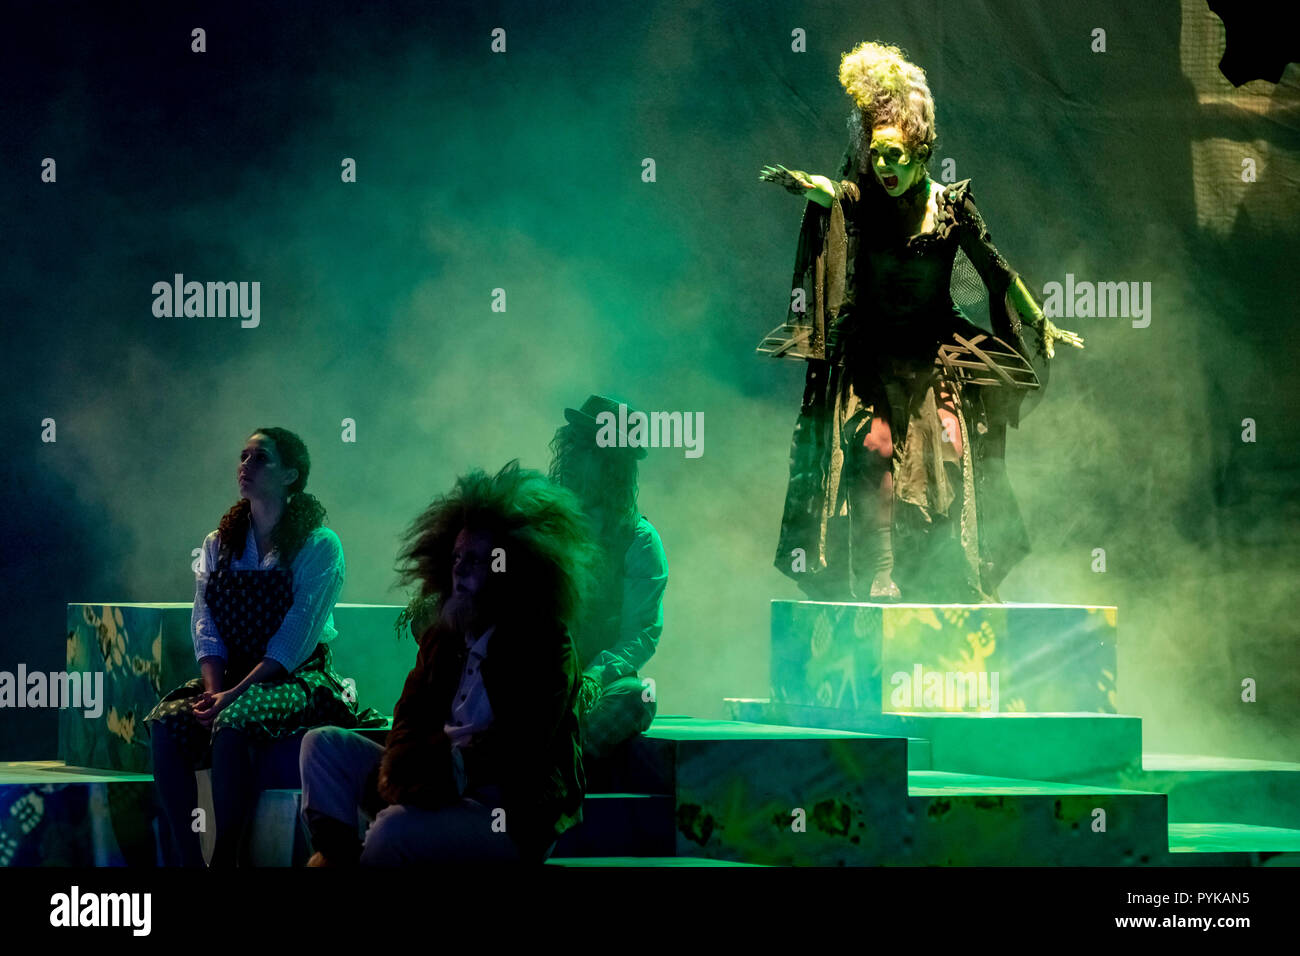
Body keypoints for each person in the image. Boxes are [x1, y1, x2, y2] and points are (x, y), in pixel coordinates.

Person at [758, 40, 1083, 603]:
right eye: (877, 153)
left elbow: (996, 269)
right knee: (873, 449)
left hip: (934, 353)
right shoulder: (863, 199)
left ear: (922, 153)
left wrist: (1041, 323)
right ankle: (880, 573)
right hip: (872, 355)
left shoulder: (953, 206)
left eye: (897, 156)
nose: (885, 166)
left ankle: (947, 570)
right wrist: (803, 183)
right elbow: (831, 190)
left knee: (953, 450)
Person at [298, 460, 597, 865]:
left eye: (476, 559)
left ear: (510, 567)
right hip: (431, 782)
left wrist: (435, 772)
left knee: (392, 832)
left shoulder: (545, 643)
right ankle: (337, 857)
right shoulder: (444, 636)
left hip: (506, 810)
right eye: (456, 557)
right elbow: (409, 716)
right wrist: (408, 770)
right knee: (322, 745)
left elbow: (521, 746)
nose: (459, 568)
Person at [146, 427, 371, 866]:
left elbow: (295, 638)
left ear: (291, 475)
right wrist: (214, 689)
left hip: (295, 675)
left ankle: (228, 857)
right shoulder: (218, 543)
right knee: (166, 723)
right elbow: (205, 623)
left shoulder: (319, 545)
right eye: (244, 456)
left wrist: (231, 697)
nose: (245, 466)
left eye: (260, 458)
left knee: (234, 723)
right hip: (230, 677)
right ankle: (186, 861)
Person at [548, 395, 668, 771]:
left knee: (636, 696)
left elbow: (641, 633)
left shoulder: (640, 540)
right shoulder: (539, 523)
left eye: (586, 449)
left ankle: (555, 771)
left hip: (593, 685)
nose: (571, 457)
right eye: (572, 445)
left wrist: (593, 678)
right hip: (535, 677)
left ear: (613, 465)